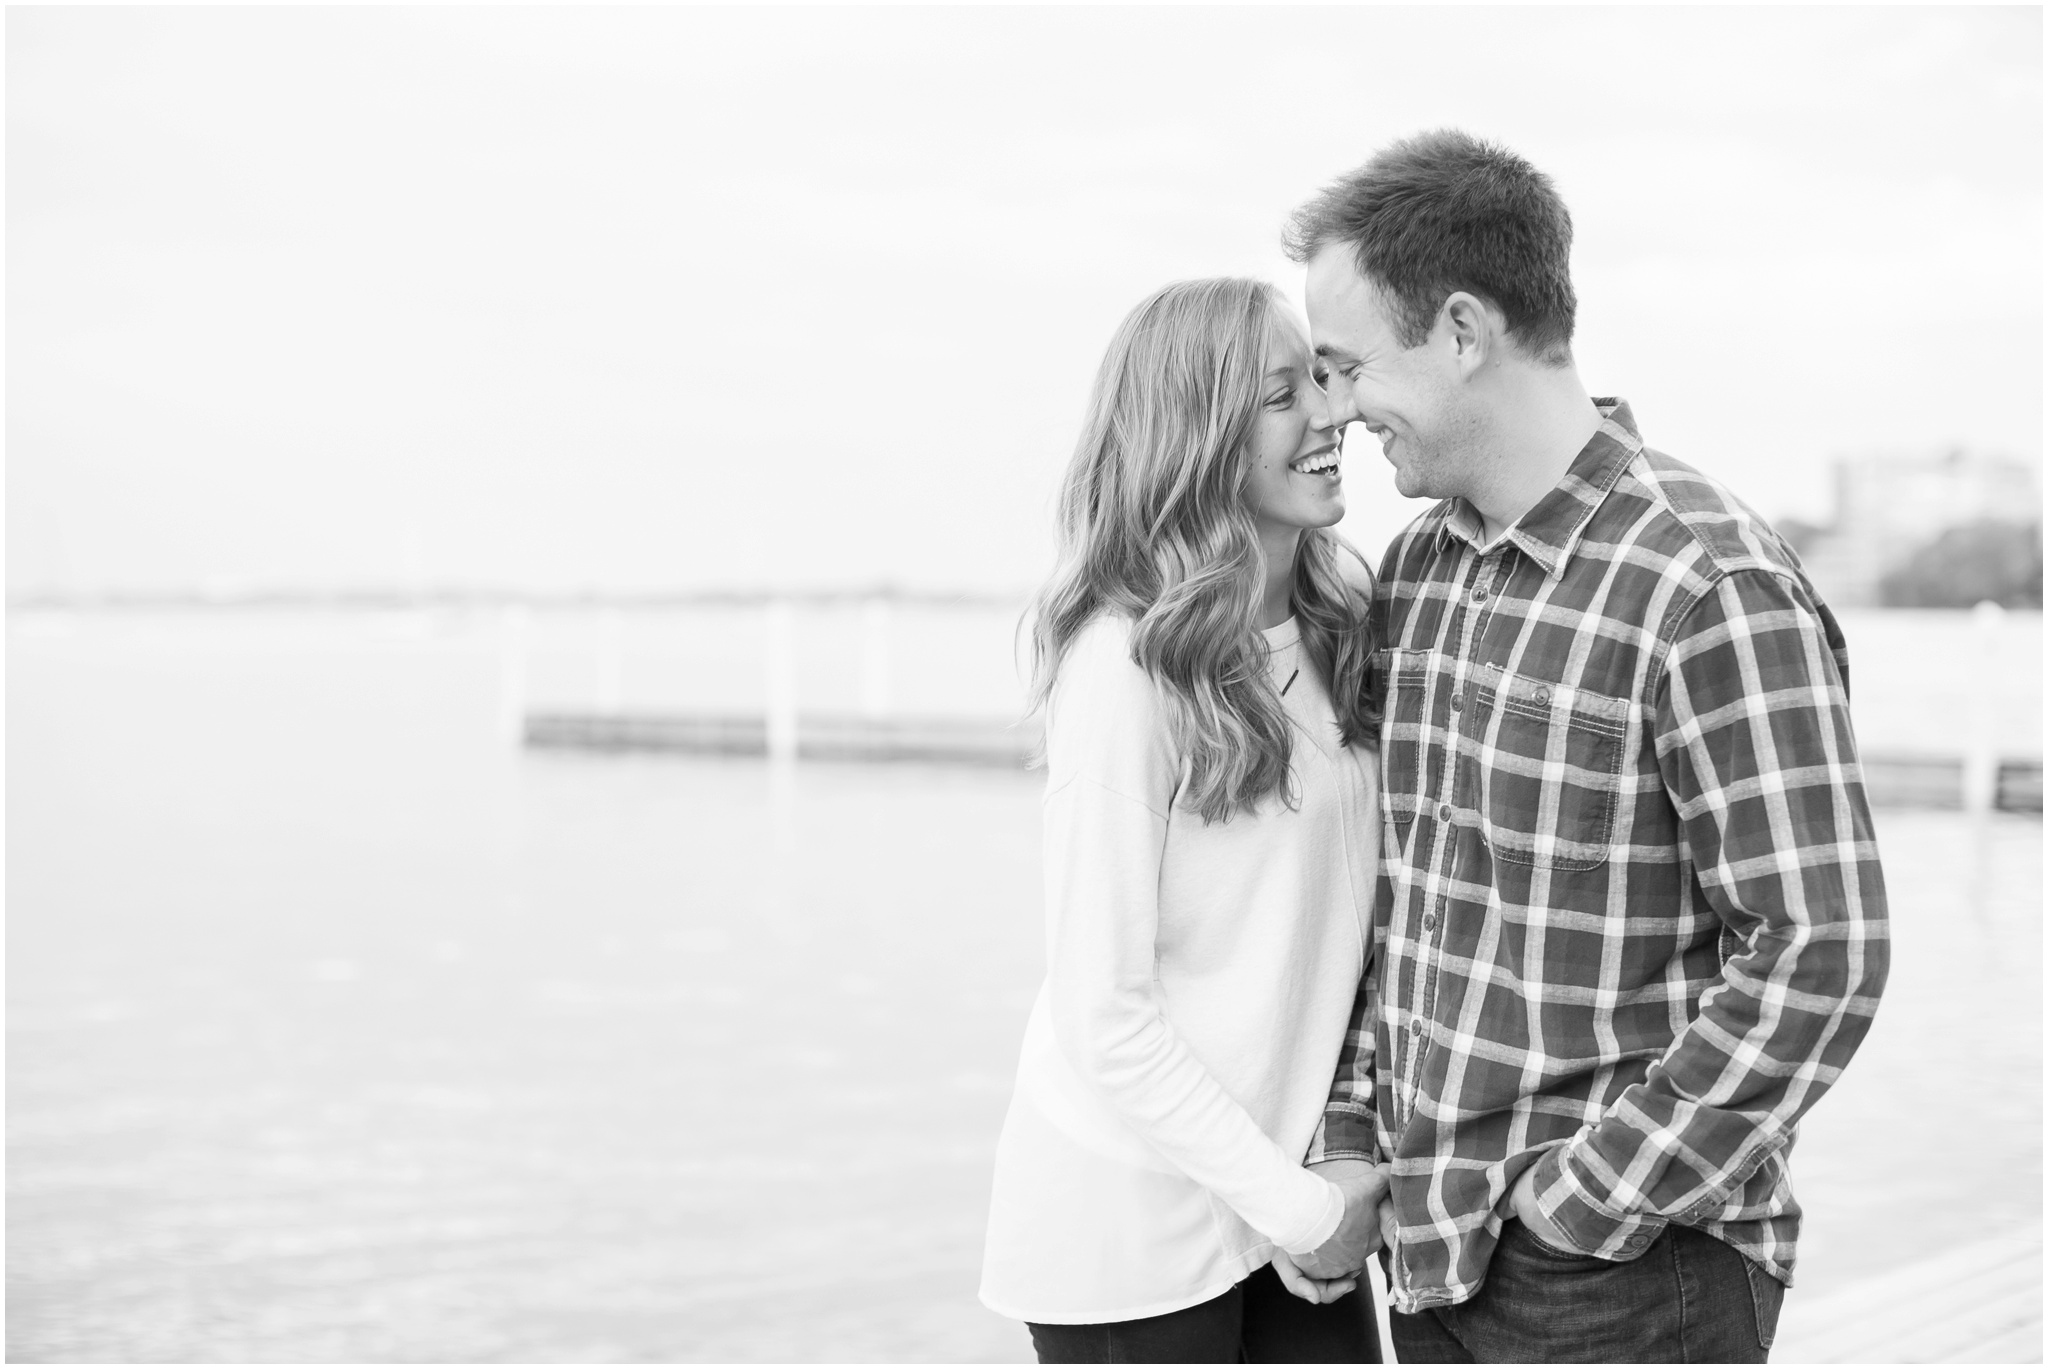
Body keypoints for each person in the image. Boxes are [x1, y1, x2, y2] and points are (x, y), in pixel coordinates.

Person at [1284, 129, 1893, 1363]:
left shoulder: (1702, 582)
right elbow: (1406, 904)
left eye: (1348, 368)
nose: (1335, 411)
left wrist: (1583, 1203)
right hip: (1431, 1246)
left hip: (1619, 1275)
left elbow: (1818, 951)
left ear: (1461, 332)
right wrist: (1351, 1133)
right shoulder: (1422, 566)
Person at [977, 278, 1390, 1362]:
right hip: (1131, 1227)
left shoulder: (1343, 626)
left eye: (1322, 378)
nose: (1329, 413)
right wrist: (1300, 1208)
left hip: (1282, 1196)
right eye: (1279, 394)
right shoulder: (1124, 664)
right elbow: (1101, 1012)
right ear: (1197, 437)